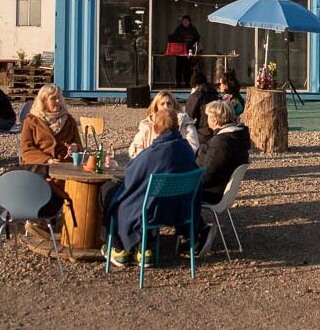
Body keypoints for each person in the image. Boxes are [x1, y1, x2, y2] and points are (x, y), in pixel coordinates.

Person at [103, 110, 215, 267]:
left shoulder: (151, 154)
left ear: (155, 129)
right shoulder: (186, 150)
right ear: (177, 127)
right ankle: (145, 249)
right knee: (144, 195)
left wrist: (115, 167)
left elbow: (130, 176)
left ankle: (119, 247)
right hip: (181, 210)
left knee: (111, 193)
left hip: (153, 211)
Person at [197, 100, 251, 205]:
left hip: (211, 193)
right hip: (222, 188)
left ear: (214, 121)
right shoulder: (238, 136)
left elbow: (208, 173)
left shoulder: (221, 143)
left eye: (208, 116)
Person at [20, 84, 81, 165]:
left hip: (65, 165)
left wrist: (74, 147)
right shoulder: (31, 121)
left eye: (59, 97)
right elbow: (27, 150)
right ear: (43, 101)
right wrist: (47, 160)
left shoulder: (69, 120)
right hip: (40, 165)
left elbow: (79, 144)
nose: (58, 101)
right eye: (53, 98)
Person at [129, 90, 199, 158]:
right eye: (162, 104)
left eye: (169, 103)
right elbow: (136, 148)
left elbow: (193, 145)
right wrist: (149, 160)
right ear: (156, 107)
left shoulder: (185, 122)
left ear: (174, 105)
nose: (166, 107)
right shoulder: (147, 124)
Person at [185, 71, 219, 143]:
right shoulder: (215, 94)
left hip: (203, 134)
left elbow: (188, 116)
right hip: (216, 131)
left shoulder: (196, 95)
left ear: (195, 85)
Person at [171, 15, 201, 87]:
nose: (185, 22)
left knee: (187, 68)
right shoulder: (179, 29)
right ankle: (179, 83)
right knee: (179, 68)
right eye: (184, 21)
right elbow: (173, 38)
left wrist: (195, 44)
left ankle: (187, 83)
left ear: (189, 22)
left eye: (186, 21)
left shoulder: (193, 29)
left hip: (189, 51)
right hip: (180, 52)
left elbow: (197, 38)